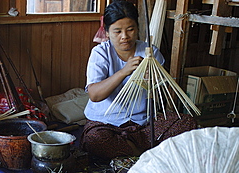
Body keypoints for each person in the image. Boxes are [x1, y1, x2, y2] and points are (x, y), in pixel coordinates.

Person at [80, 0, 197, 160]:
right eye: (117, 31)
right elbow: (94, 95)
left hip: (143, 123)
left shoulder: (150, 52)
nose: (125, 37)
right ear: (106, 32)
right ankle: (147, 151)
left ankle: (133, 150)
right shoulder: (100, 53)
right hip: (107, 124)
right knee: (95, 140)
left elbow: (162, 92)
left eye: (130, 29)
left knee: (186, 123)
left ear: (137, 28)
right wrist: (123, 72)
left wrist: (155, 80)